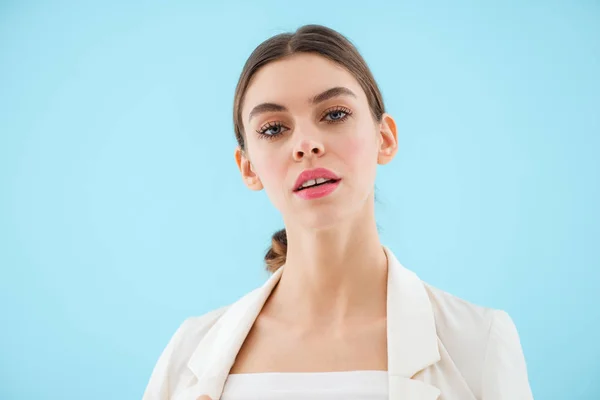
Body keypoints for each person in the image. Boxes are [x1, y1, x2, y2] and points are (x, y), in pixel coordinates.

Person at [142, 24, 533, 400]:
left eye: (334, 114)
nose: (306, 144)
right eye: (274, 128)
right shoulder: (190, 351)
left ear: (385, 138)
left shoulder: (478, 343)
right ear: (248, 167)